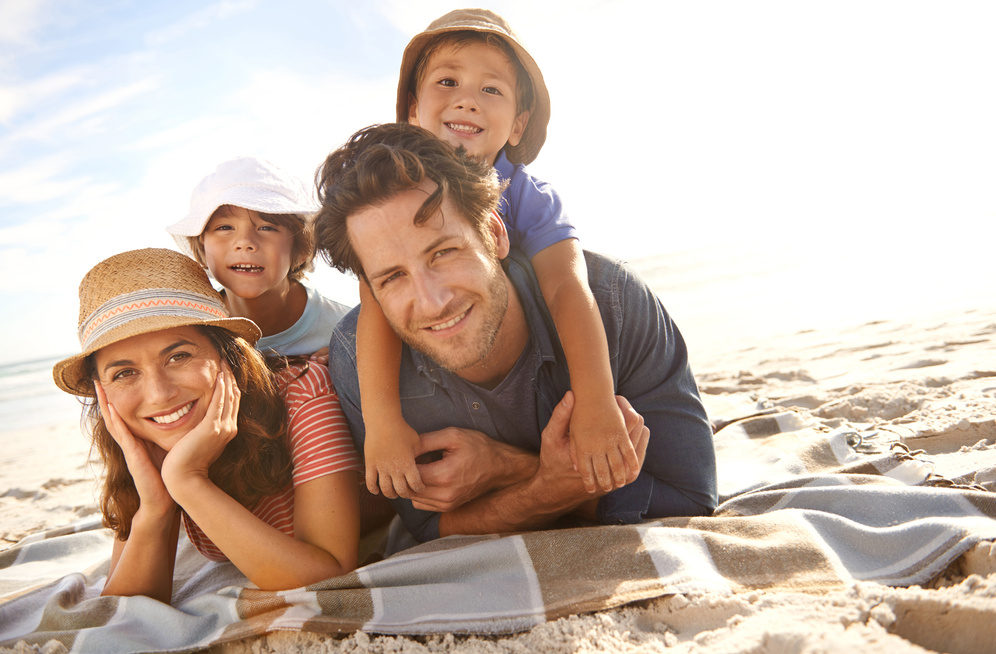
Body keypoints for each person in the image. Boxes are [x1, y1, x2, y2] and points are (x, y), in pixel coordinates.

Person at [314, 123, 717, 544]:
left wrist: (508, 468)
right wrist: (549, 482)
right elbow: (427, 527)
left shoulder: (612, 301)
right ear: (371, 291)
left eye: (444, 252)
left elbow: (691, 500)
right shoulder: (357, 360)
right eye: (393, 277)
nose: (432, 302)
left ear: (494, 233)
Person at [356, 8, 635, 501]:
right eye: (447, 81)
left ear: (517, 125)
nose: (467, 100)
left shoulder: (529, 196)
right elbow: (377, 306)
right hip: (453, 368)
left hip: (534, 370)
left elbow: (568, 287)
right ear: (414, 112)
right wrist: (383, 424)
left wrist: (595, 402)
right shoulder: (391, 198)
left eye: (491, 90)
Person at [52, 248, 362, 602]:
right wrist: (156, 505)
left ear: (225, 354)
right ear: (102, 393)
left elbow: (330, 575)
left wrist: (187, 480)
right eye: (124, 373)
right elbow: (127, 610)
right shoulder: (142, 440)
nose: (159, 394)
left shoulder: (303, 394)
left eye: (178, 356)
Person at [166, 155, 350, 358]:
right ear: (201, 250)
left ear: (301, 249)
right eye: (225, 227)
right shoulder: (191, 334)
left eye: (267, 227)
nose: (245, 242)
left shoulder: (344, 331)